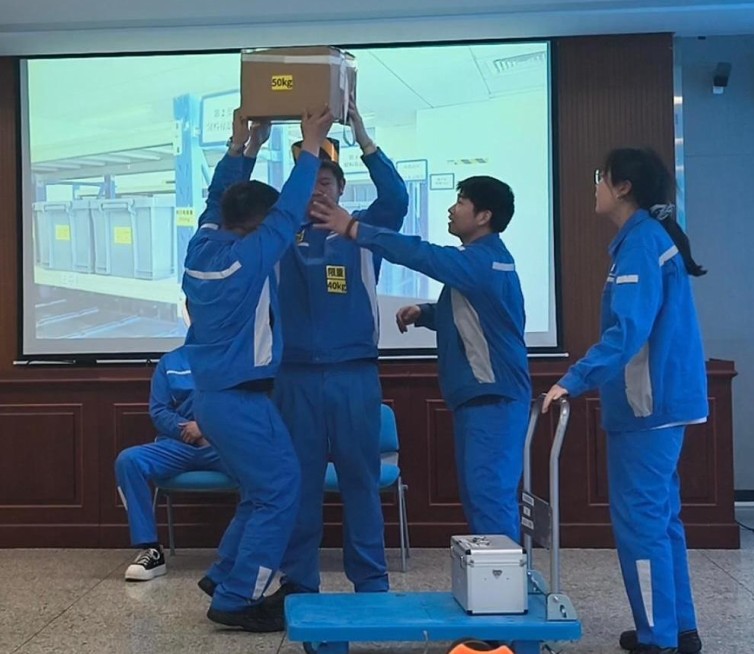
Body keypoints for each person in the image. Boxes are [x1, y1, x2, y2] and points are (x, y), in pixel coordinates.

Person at [542, 148, 707, 654]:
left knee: (642, 526)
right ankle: (678, 629)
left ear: (624, 188)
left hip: (647, 407)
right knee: (661, 521)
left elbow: (627, 331)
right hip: (660, 404)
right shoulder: (646, 240)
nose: (595, 186)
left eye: (601, 177)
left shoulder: (641, 244)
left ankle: (659, 637)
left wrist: (573, 379)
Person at [309, 175, 531, 544]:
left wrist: (354, 228)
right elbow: (478, 316)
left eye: (461, 202)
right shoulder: (485, 261)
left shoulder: (483, 262)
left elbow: (421, 254)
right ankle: (498, 575)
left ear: (484, 216)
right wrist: (426, 313)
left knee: (490, 497)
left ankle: (506, 578)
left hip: (494, 400)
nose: (452, 209)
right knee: (481, 496)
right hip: (481, 398)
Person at [182, 106, 333, 632]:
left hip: (213, 397)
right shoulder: (250, 258)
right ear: (257, 225)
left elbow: (217, 198)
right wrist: (310, 144)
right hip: (241, 399)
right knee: (281, 490)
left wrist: (244, 147)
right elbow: (288, 212)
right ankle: (238, 597)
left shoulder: (204, 243)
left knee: (261, 489)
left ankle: (226, 572)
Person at [266, 96, 409, 609]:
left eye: (327, 182)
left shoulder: (363, 232)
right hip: (296, 378)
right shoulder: (280, 238)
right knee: (300, 485)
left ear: (342, 190)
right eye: (311, 182)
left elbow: (396, 198)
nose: (318, 189)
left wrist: (363, 137)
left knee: (360, 483)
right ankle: (300, 582)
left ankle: (371, 584)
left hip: (354, 376)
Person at [114, 343, 225, 582]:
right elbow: (159, 411)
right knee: (129, 461)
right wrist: (190, 432)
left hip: (222, 446)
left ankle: (250, 553)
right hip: (177, 445)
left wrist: (207, 428)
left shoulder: (233, 356)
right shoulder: (170, 362)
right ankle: (150, 550)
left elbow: (245, 406)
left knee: (265, 467)